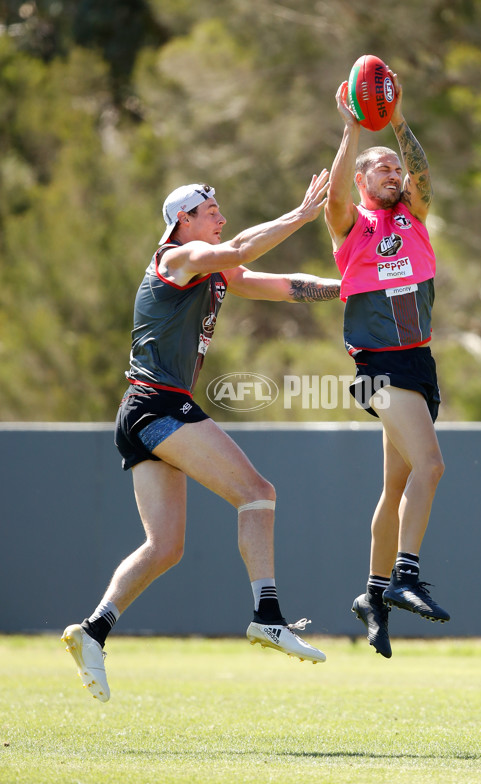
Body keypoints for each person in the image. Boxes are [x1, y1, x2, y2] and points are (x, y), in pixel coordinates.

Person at [62, 171, 340, 701]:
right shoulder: (176, 259)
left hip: (140, 411)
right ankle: (268, 614)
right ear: (183, 220)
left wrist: (350, 287)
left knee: (164, 547)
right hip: (157, 406)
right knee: (257, 494)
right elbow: (238, 247)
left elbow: (280, 286)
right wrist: (301, 215)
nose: (222, 219)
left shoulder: (211, 270)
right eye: (212, 212)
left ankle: (92, 631)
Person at [324, 73, 450, 659]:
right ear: (360, 180)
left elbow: (423, 174)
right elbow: (333, 201)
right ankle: (405, 573)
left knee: (397, 484)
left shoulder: (415, 216)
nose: (396, 176)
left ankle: (372, 594)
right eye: (383, 171)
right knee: (431, 466)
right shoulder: (354, 226)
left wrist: (397, 121)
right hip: (378, 365)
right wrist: (352, 127)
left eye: (397, 170)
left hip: (418, 364)